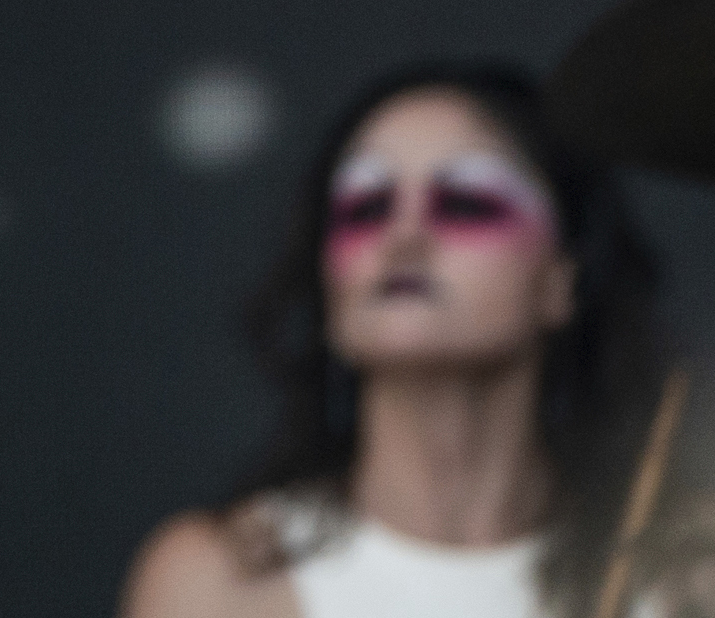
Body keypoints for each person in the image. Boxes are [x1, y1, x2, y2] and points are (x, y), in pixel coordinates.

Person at [120, 61, 678, 618]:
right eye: (365, 207)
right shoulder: (221, 577)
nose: (404, 236)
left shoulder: (679, 577)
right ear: (326, 291)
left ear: (561, 281)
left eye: (465, 202)